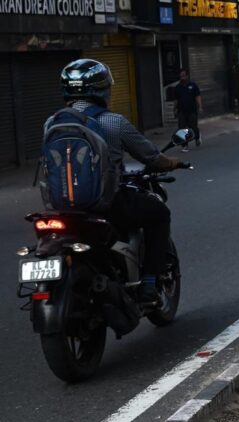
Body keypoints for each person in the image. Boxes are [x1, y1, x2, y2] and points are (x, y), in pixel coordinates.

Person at [58, 59, 181, 304]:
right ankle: (148, 284)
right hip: (107, 204)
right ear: (103, 89)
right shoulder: (112, 122)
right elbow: (151, 157)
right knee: (159, 213)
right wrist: (172, 162)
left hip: (63, 206)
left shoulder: (53, 123)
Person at [173, 68, 202, 153]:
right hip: (181, 111)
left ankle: (197, 137)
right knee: (182, 128)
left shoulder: (193, 85)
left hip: (192, 110)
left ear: (187, 76)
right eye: (180, 76)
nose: (182, 78)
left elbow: (198, 96)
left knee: (193, 127)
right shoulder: (177, 88)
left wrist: (200, 106)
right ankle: (185, 145)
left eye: (183, 76)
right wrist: (174, 109)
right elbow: (175, 100)